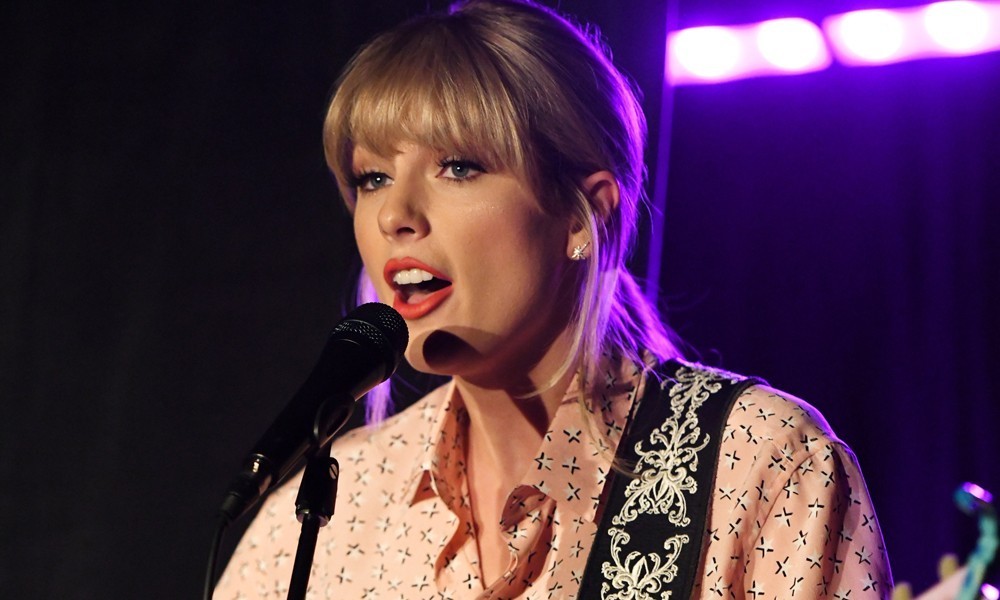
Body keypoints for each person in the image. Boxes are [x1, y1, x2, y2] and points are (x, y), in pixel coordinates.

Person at [214, 1, 892, 598]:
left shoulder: (759, 465)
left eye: (458, 167)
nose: (395, 214)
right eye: (373, 178)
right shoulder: (313, 524)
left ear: (581, 216)